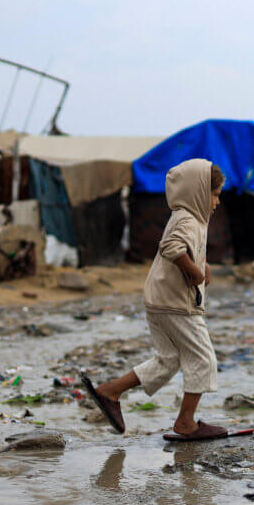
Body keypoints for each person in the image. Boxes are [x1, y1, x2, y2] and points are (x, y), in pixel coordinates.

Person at [82, 159, 226, 441]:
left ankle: (111, 391)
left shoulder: (188, 217)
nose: (217, 202)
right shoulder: (188, 218)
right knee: (204, 359)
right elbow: (171, 246)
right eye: (215, 194)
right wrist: (193, 271)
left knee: (168, 359)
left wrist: (202, 264)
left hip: (159, 300)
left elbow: (182, 246)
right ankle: (186, 423)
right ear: (198, 192)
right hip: (176, 305)